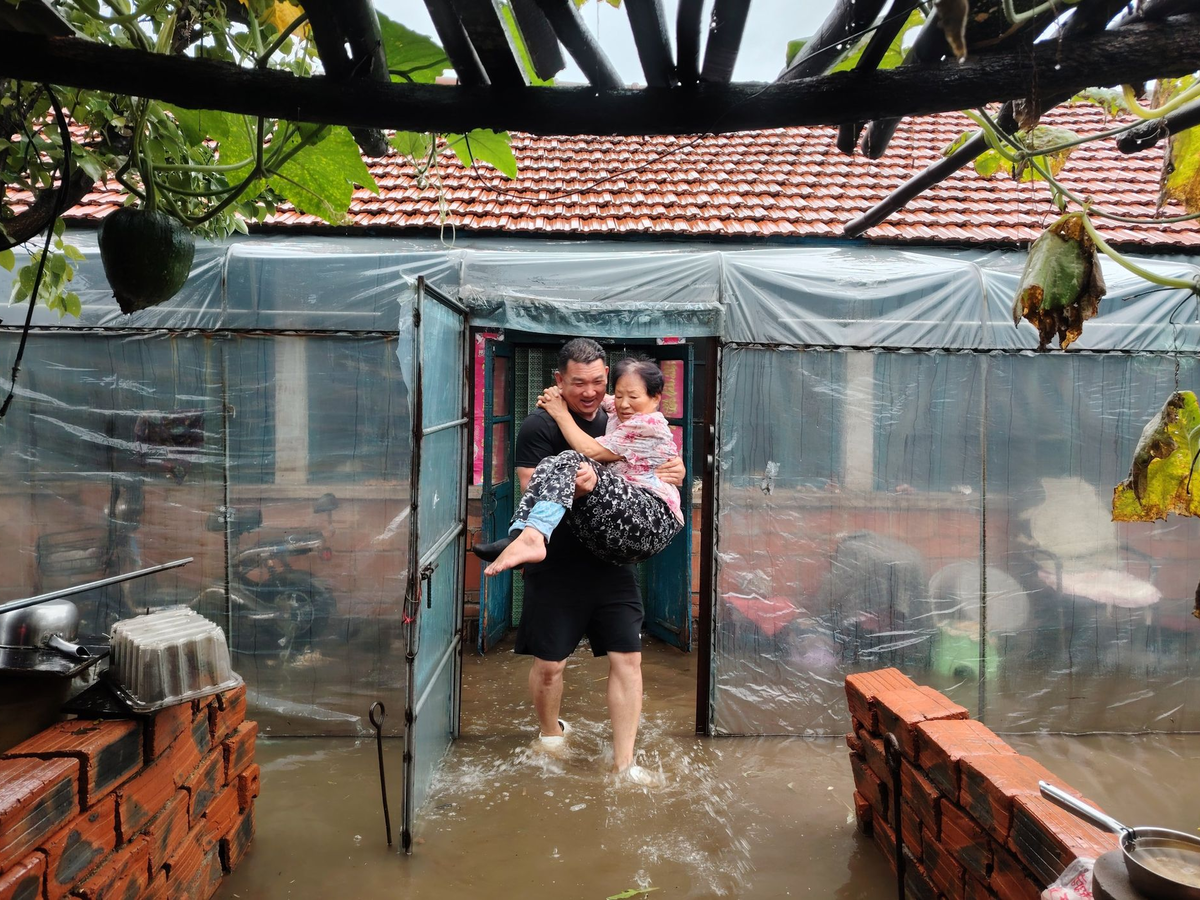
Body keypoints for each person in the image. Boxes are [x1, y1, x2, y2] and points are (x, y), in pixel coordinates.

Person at [477, 338, 684, 783]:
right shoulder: (538, 425)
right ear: (558, 381)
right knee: (550, 665)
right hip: (560, 562)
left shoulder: (624, 414)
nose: (592, 392)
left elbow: (654, 448)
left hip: (610, 563)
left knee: (628, 659)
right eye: (577, 383)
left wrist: (675, 467)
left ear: (606, 376)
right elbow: (535, 487)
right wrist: (583, 474)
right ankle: (551, 736)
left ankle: (625, 763)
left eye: (597, 382)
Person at [476, 354, 684, 575]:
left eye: (633, 396)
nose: (624, 403)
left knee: (572, 459)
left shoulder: (647, 424)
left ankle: (532, 538)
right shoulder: (621, 409)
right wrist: (559, 391)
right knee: (550, 463)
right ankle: (518, 536)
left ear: (655, 398)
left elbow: (590, 450)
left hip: (652, 519)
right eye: (619, 395)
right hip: (615, 532)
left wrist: (560, 412)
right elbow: (598, 398)